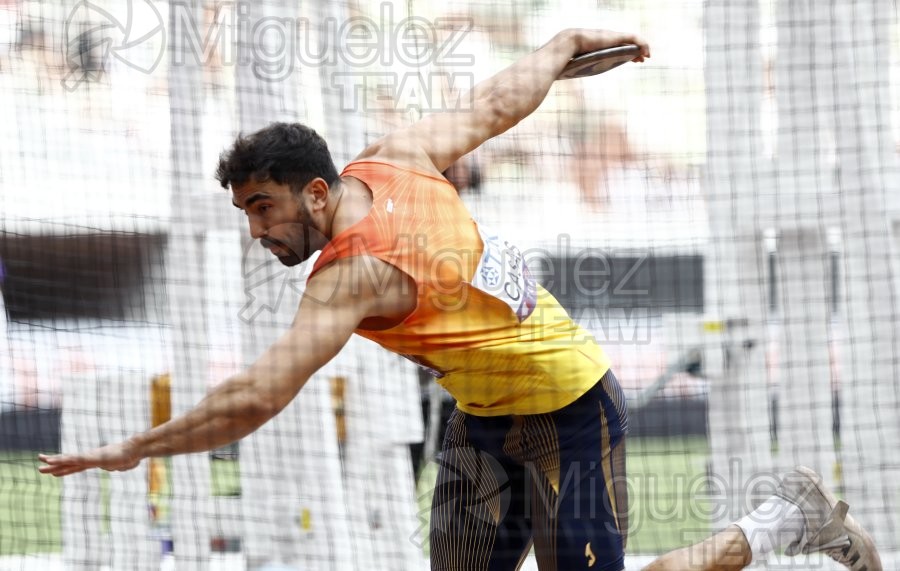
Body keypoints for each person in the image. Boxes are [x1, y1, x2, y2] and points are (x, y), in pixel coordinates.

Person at [39, 28, 881, 571]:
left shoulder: (350, 277)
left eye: (263, 206)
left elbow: (259, 395)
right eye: (245, 212)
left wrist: (137, 447)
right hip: (482, 422)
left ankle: (780, 524)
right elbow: (492, 104)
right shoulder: (396, 155)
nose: (256, 229)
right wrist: (562, 46)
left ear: (319, 192)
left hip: (571, 407)